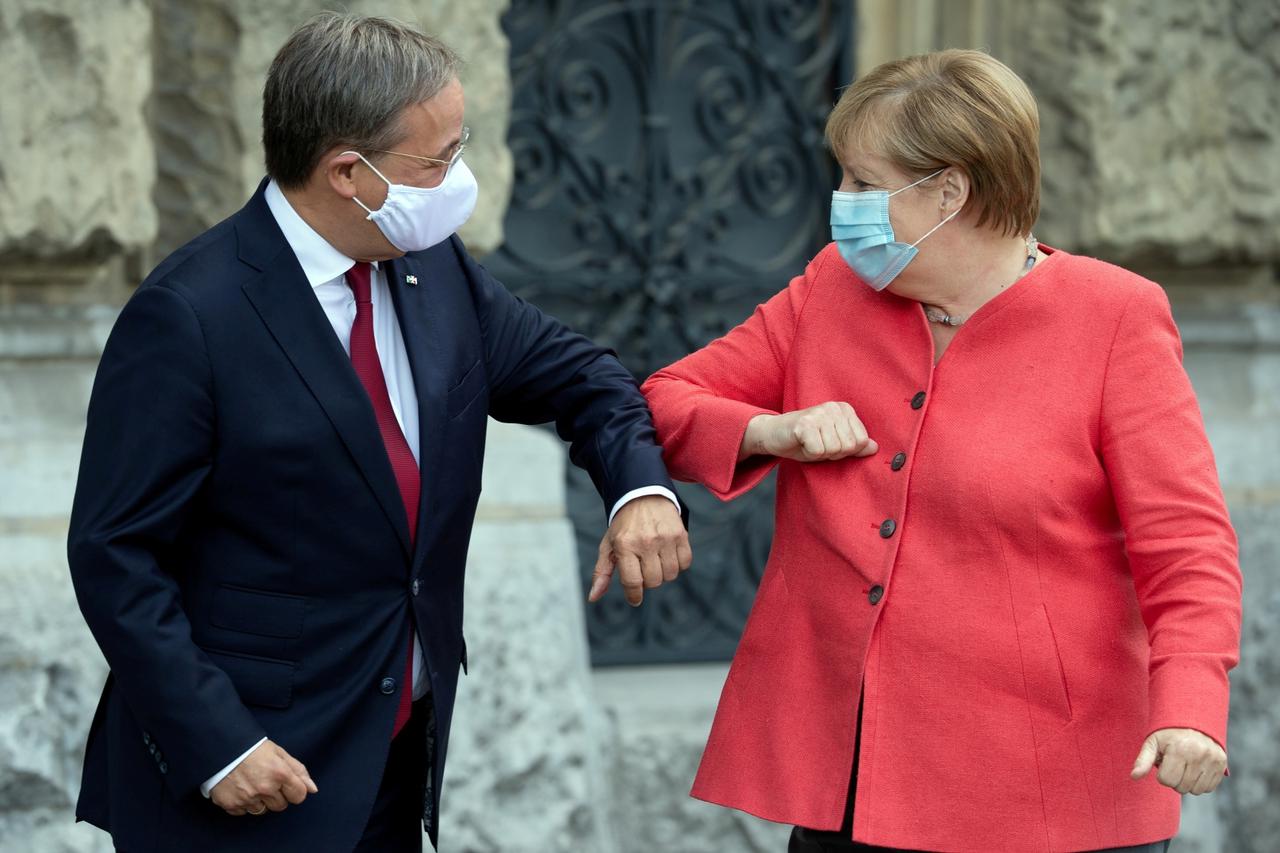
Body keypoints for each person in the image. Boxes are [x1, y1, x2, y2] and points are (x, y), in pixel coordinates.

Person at [67, 13, 690, 853]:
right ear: (349, 174)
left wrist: (639, 489)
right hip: (245, 775)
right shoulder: (188, 314)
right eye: (437, 161)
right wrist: (218, 745)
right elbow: (115, 554)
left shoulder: (436, 269)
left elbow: (585, 376)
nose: (457, 179)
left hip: (393, 757)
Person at [641, 49, 1241, 853]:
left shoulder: (1116, 317)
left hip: (1053, 794)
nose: (839, 203)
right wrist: (768, 430)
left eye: (861, 182)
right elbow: (666, 400)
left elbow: (1187, 542)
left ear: (949, 192)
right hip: (858, 786)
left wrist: (1189, 707)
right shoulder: (830, 289)